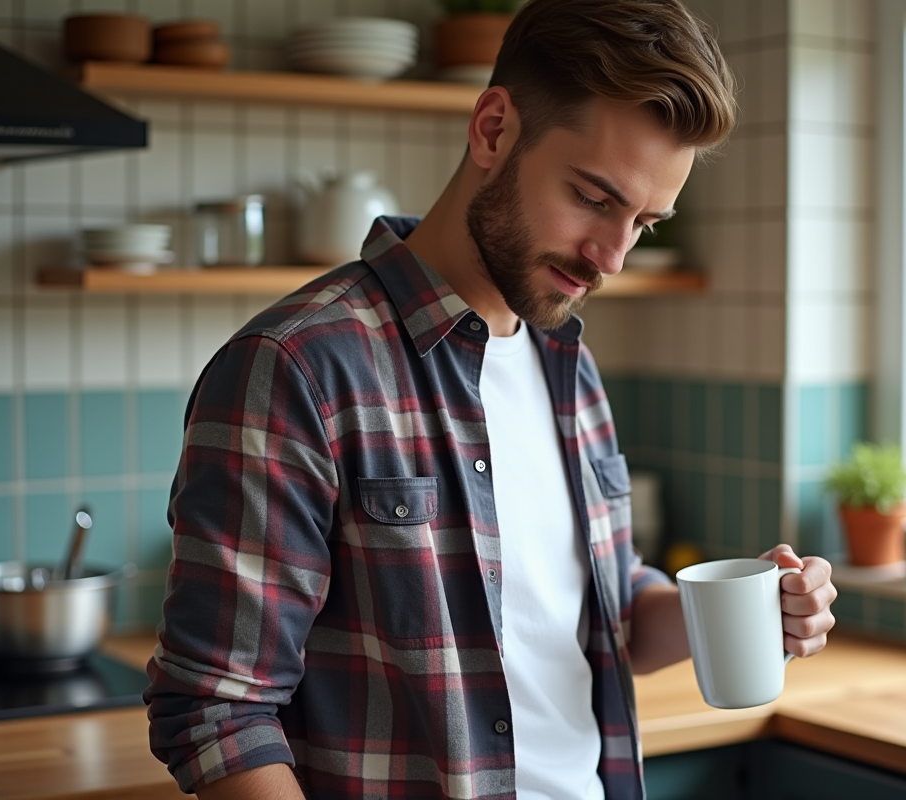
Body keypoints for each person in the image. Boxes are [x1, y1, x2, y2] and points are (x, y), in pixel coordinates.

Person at [144, 1, 838, 797]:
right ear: (493, 129)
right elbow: (217, 711)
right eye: (593, 197)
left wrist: (747, 610)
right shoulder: (298, 367)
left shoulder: (565, 361)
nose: (611, 256)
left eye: (644, 222)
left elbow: (596, 616)